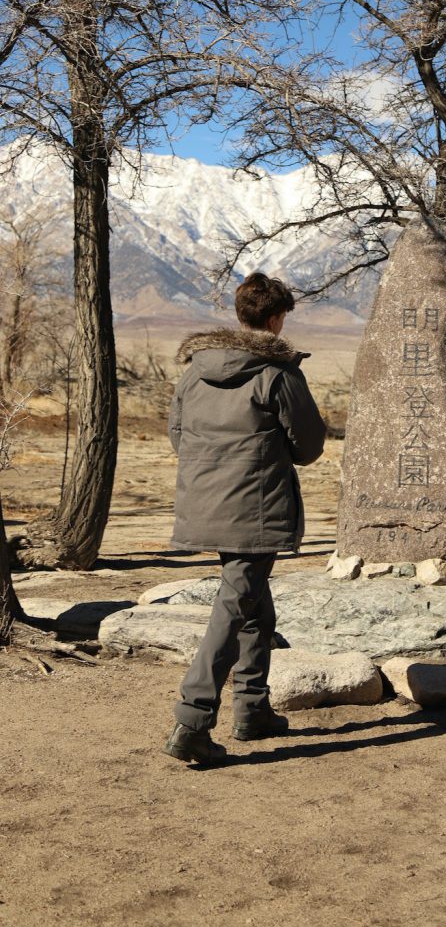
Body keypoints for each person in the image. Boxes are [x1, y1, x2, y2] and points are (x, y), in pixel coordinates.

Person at [163, 273, 326, 764]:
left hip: (206, 503)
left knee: (255, 607)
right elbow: (309, 446)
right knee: (235, 606)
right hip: (255, 508)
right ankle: (192, 719)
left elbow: (177, 435)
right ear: (276, 320)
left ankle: (253, 709)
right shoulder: (277, 373)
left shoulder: (195, 371)